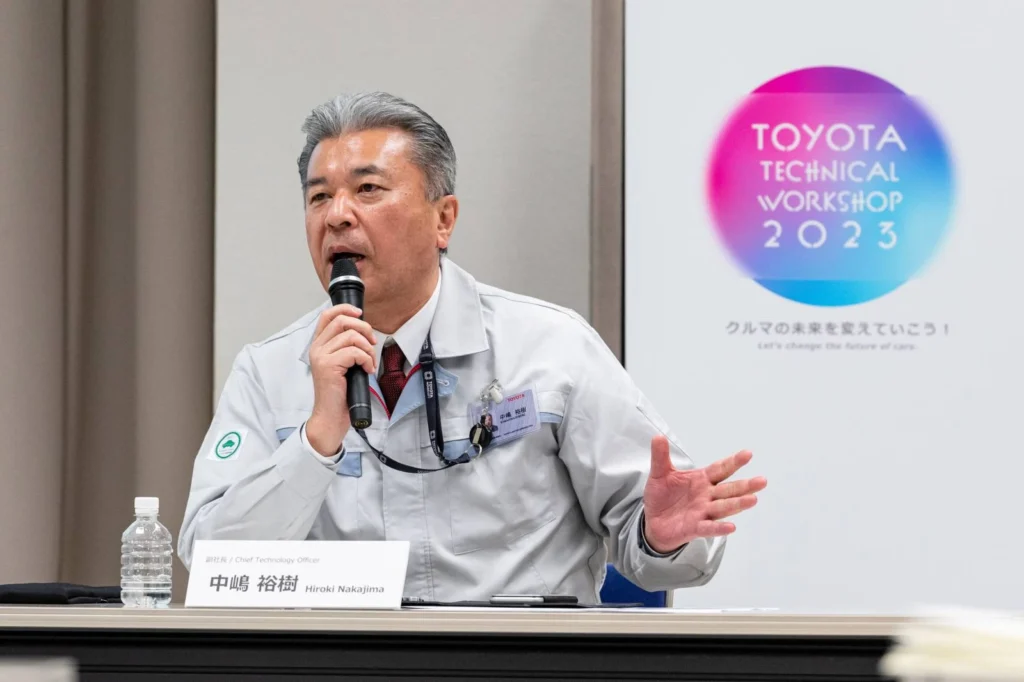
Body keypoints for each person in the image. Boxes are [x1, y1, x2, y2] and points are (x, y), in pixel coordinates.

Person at [179, 92, 767, 603]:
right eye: (318, 197)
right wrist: (315, 441)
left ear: (443, 219)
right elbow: (211, 562)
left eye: (367, 189)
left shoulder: (550, 349)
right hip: (343, 668)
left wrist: (661, 536)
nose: (337, 216)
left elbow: (668, 545)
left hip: (518, 667)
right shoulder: (269, 372)